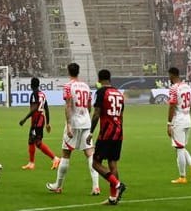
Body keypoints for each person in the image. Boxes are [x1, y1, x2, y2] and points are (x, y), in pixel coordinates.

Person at [47, 62, 102, 195]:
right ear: (78, 71)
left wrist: (69, 124)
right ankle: (96, 186)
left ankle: (58, 186)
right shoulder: (86, 86)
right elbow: (89, 106)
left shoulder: (68, 86)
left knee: (66, 154)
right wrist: (85, 117)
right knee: (90, 154)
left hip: (74, 122)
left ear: (68, 71)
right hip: (86, 123)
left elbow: (68, 105)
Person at [91, 69, 127, 205]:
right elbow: (121, 115)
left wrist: (90, 132)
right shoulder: (119, 93)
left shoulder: (101, 92)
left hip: (106, 133)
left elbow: (96, 114)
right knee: (112, 163)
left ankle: (117, 184)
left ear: (99, 80)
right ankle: (113, 198)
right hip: (118, 132)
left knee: (95, 163)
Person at [165, 66, 191, 184]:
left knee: (179, 149)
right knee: (181, 146)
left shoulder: (174, 88)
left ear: (172, 75)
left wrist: (169, 124)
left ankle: (182, 177)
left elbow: (171, 105)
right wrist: (187, 115)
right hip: (187, 118)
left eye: (169, 76)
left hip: (178, 120)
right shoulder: (187, 86)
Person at [18, 77, 56, 170]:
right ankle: (31, 163)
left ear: (31, 85)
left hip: (37, 121)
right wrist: (47, 123)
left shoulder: (34, 94)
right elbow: (46, 108)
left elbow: (34, 108)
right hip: (40, 120)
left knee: (38, 143)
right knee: (31, 141)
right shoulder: (42, 94)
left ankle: (54, 158)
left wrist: (25, 119)